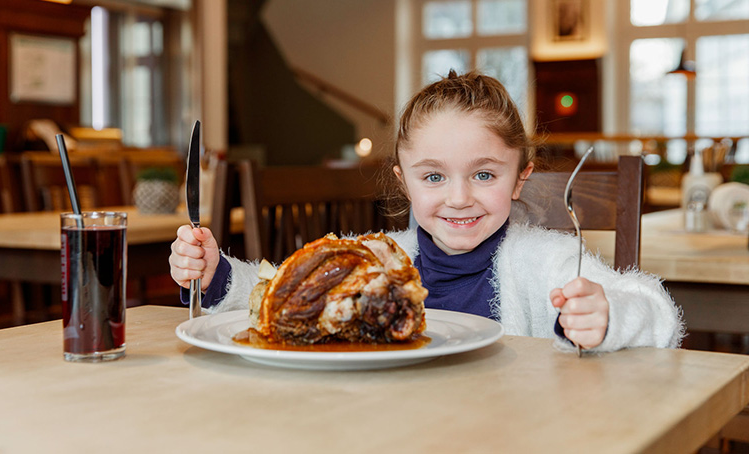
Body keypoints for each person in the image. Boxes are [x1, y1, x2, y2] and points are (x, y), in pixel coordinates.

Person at [169, 71, 683, 352]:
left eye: (484, 174)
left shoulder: (548, 261)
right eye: (434, 177)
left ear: (521, 175)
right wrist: (214, 276)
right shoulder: (377, 259)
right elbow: (285, 292)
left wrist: (606, 316)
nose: (458, 198)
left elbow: (657, 313)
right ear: (403, 181)